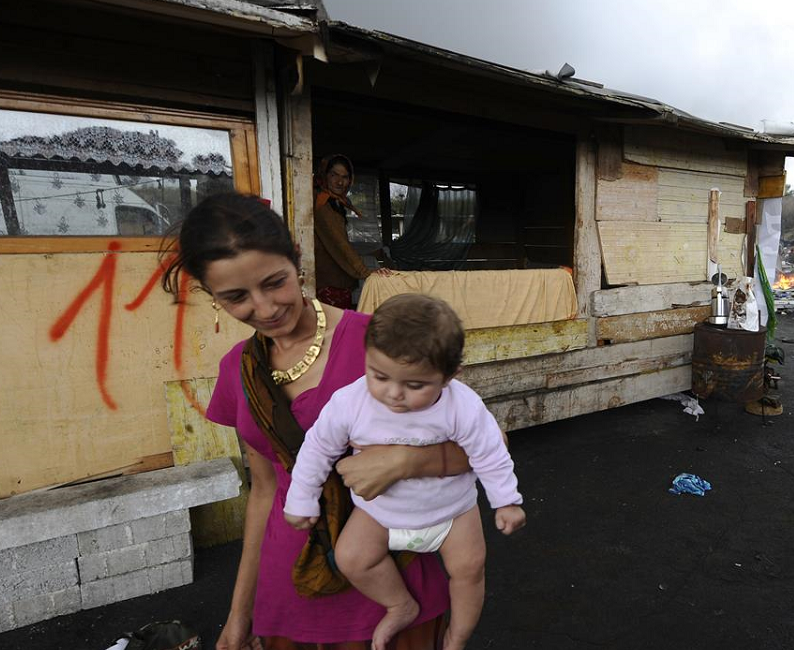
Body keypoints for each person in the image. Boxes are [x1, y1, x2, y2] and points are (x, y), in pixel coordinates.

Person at [160, 193, 471, 650]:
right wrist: (240, 613)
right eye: (236, 297)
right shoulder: (238, 371)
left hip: (391, 581)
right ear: (212, 296)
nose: (265, 308)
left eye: (275, 283)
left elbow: (487, 445)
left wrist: (406, 462)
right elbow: (265, 492)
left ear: (297, 260)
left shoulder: (381, 343)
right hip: (289, 589)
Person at [284, 295, 526, 650]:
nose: (394, 394)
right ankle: (399, 604)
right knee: (352, 558)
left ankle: (457, 637)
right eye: (379, 376)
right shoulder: (350, 403)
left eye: (415, 385)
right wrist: (301, 498)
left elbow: (489, 450)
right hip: (379, 514)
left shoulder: (462, 405)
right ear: (367, 358)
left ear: (449, 376)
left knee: (470, 570)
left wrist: (506, 501)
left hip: (453, 513)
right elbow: (317, 449)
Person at [314, 154, 390, 309]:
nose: (340, 182)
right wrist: (366, 272)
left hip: (337, 281)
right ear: (324, 175)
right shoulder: (322, 203)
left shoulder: (335, 202)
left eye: (345, 177)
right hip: (328, 283)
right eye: (334, 175)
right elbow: (339, 243)